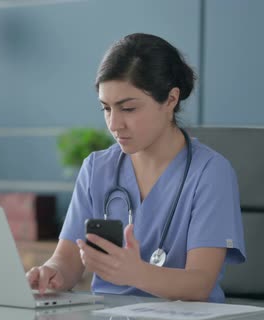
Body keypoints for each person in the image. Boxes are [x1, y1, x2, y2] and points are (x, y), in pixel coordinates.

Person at [26, 33, 246, 302]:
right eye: (106, 109)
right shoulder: (97, 168)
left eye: (128, 108)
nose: (114, 124)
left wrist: (135, 273)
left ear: (170, 99)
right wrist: (53, 273)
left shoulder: (210, 173)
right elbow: (69, 257)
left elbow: (199, 284)